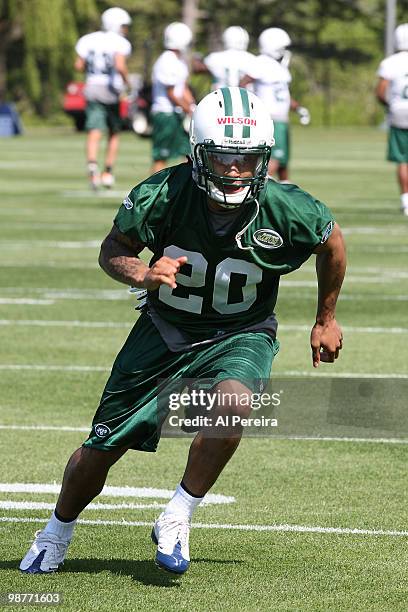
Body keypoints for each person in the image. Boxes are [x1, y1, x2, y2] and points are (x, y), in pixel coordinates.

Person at [20, 87, 345, 576]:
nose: (234, 169)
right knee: (101, 448)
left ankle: (178, 514)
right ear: (198, 153)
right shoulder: (162, 193)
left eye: (246, 158)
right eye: (222, 156)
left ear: (263, 159)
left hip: (242, 331)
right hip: (164, 330)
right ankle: (56, 530)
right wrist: (141, 274)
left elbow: (332, 242)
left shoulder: (286, 206)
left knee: (235, 404)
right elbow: (113, 249)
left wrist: (325, 318)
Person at [240, 27, 310, 182]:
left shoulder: (278, 67)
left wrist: (298, 108)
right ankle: (255, 186)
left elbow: (283, 95)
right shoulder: (261, 62)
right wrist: (251, 107)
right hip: (270, 119)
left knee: (283, 161)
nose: (285, 52)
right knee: (275, 159)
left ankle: (287, 192)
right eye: (282, 48)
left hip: (281, 119)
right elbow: (243, 83)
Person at [75, 7, 132, 190]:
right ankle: (108, 172)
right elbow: (120, 65)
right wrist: (127, 82)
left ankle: (92, 166)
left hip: (92, 86)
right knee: (114, 131)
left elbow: (78, 65)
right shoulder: (120, 42)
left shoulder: (88, 40)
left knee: (94, 129)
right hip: (111, 89)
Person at [150, 22, 196, 174]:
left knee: (190, 155)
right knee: (161, 157)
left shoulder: (179, 60)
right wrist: (187, 108)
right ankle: (153, 193)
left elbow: (183, 88)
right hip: (166, 113)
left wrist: (193, 106)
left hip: (176, 113)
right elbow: (171, 93)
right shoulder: (166, 60)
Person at [376, 23, 408, 216]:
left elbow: (381, 92)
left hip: (399, 112)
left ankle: (406, 201)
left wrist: (390, 107)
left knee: (403, 159)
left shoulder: (390, 62)